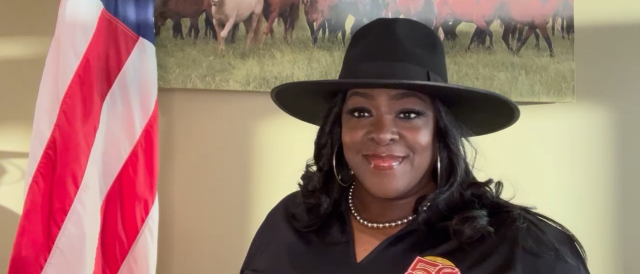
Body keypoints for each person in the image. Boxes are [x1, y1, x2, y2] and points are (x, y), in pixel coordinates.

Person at [240, 17, 589, 274]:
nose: (382, 132)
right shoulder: (293, 222)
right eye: (360, 111)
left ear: (440, 129)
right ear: (338, 126)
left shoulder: (522, 250)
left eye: (408, 113)